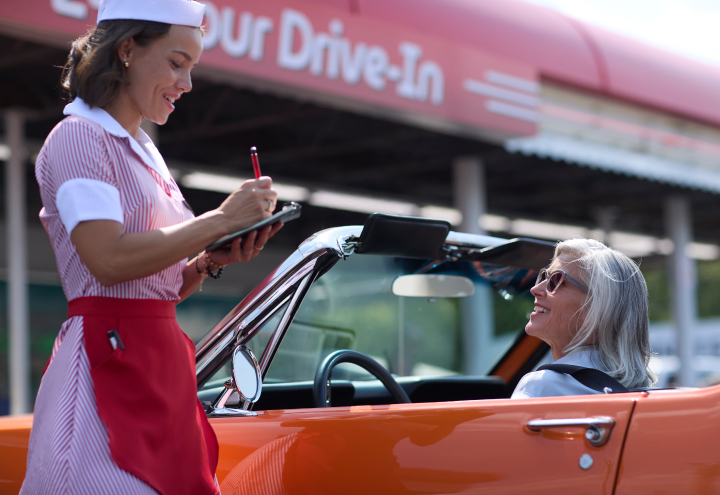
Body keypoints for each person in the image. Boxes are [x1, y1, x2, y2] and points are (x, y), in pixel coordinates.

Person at [20, 1, 280, 493]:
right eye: (177, 63)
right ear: (126, 50)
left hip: (157, 369)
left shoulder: (144, 149)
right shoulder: (77, 137)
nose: (186, 84)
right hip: (104, 374)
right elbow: (109, 261)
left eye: (192, 68)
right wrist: (220, 220)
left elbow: (151, 289)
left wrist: (206, 261)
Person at [511, 238, 656, 399]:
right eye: (543, 276)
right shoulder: (640, 393)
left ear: (596, 311)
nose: (535, 289)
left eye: (556, 280)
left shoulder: (541, 386)